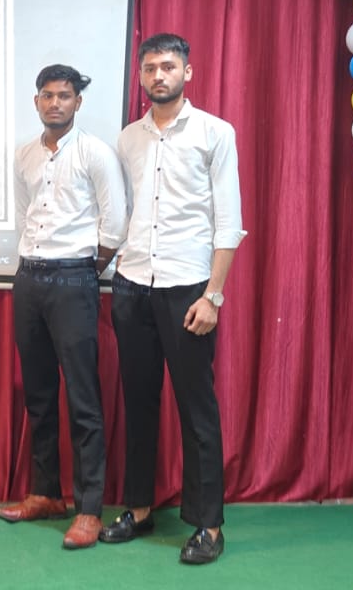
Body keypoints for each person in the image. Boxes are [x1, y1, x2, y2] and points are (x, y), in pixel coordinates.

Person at [99, 33, 246, 565]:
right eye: (150, 68)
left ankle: (208, 524)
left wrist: (214, 296)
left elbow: (229, 221)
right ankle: (139, 509)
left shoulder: (215, 132)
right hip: (132, 284)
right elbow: (123, 212)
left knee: (196, 407)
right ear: (140, 76)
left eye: (168, 66)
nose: (158, 75)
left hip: (188, 289)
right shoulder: (128, 139)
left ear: (188, 72)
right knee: (138, 403)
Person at [0, 63, 126, 550]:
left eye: (64, 96)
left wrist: (85, 270)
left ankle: (88, 509)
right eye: (47, 95)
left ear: (77, 102)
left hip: (74, 278)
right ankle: (46, 493)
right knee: (39, 394)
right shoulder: (24, 155)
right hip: (29, 279)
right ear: (36, 101)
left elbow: (115, 223)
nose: (55, 103)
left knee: (83, 398)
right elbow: (23, 216)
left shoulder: (96, 153)